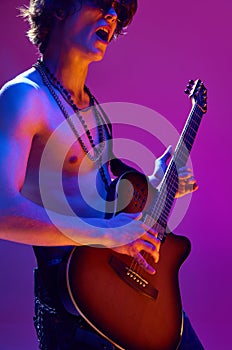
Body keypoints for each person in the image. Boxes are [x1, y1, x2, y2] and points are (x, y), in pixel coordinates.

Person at [0, 0, 204, 349]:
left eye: (119, 12)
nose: (112, 16)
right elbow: (2, 212)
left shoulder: (93, 111)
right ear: (60, 8)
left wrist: (159, 183)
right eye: (102, 4)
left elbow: (100, 208)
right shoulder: (23, 97)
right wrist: (108, 235)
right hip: (76, 310)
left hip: (123, 292)